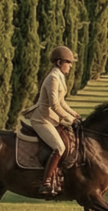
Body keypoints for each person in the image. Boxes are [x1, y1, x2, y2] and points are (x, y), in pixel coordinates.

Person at [19, 46, 80, 196]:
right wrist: (69, 119)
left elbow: (62, 101)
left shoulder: (60, 76)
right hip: (42, 120)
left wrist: (74, 114)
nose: (70, 66)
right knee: (59, 147)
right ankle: (46, 182)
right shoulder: (53, 78)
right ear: (59, 62)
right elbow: (54, 105)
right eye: (68, 62)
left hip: (52, 118)